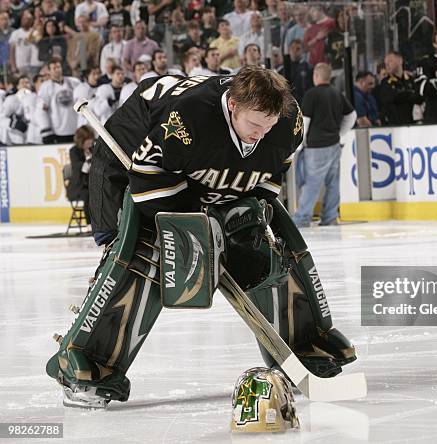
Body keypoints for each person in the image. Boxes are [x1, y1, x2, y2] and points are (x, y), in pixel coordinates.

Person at [47, 66, 356, 409]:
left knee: (265, 244)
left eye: (268, 126)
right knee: (147, 250)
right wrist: (198, 227)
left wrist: (245, 217)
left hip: (198, 160)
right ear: (234, 105)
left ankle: (306, 343)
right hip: (136, 156)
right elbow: (149, 179)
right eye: (255, 125)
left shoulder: (286, 121)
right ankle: (88, 362)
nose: (262, 133)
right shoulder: (188, 117)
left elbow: (270, 175)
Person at [293, 62, 356, 227]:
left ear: (316, 75)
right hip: (334, 145)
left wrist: (300, 143)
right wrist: (340, 133)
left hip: (316, 147)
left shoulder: (311, 94)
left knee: (312, 183)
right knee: (333, 183)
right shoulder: (337, 93)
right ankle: (329, 217)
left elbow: (304, 122)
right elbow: (351, 116)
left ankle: (302, 218)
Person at [38, 56, 80, 143]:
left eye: (58, 67)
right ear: (49, 71)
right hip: (58, 131)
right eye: (54, 68)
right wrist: (46, 130)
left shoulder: (74, 82)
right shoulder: (46, 87)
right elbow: (42, 110)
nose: (57, 70)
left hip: (75, 128)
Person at [376, 51, 421, 125]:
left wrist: (404, 94)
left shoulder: (411, 79)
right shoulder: (385, 82)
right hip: (395, 124)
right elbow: (392, 98)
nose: (387, 64)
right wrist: (409, 94)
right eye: (385, 63)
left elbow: (418, 96)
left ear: (400, 61)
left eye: (390, 61)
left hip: (412, 123)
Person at [67, 125, 94, 223]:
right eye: (88, 140)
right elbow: (80, 167)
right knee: (88, 195)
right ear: (81, 140)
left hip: (90, 184)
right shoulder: (74, 151)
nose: (90, 143)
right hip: (78, 187)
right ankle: (89, 223)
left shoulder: (92, 149)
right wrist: (89, 160)